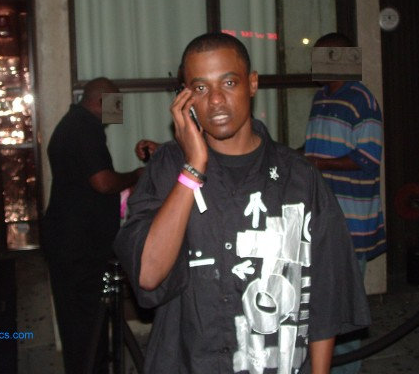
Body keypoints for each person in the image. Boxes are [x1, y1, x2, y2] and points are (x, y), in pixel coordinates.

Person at [115, 33, 370, 373]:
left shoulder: (300, 177)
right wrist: (193, 168)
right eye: (201, 87)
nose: (216, 100)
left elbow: (325, 293)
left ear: (252, 84)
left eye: (229, 82)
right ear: (185, 97)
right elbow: (148, 274)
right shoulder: (167, 167)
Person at [41, 77, 143, 374]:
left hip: (72, 240)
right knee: (84, 322)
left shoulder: (74, 124)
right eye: (116, 104)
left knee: (81, 321)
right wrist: (135, 176)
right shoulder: (84, 128)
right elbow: (102, 181)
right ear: (102, 101)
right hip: (76, 245)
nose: (119, 111)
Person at [304, 32, 387, 374]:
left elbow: (368, 158)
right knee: (324, 303)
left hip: (352, 221)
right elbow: (315, 149)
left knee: (347, 308)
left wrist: (318, 164)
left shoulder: (361, 100)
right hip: (324, 217)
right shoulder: (321, 97)